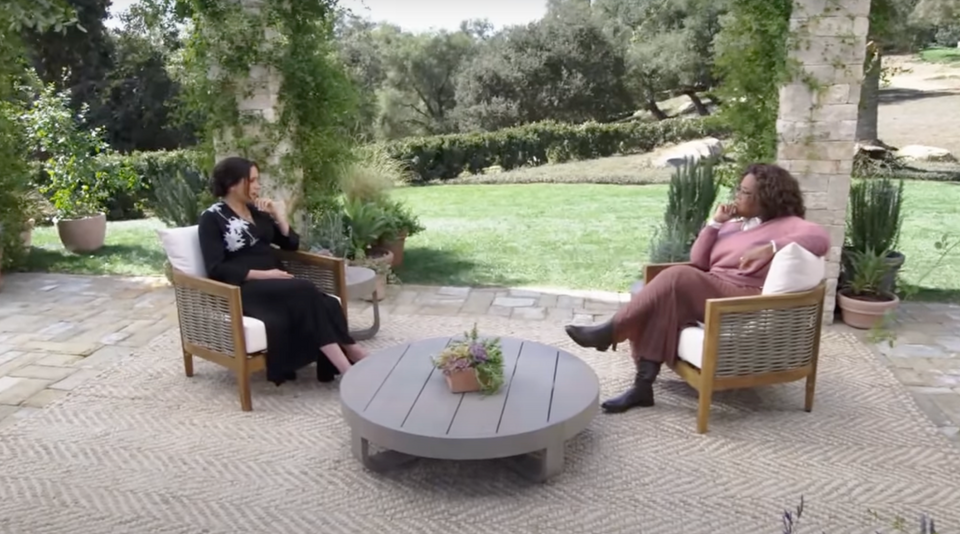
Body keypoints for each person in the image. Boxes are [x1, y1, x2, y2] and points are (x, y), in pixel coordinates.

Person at [565, 163, 830, 414]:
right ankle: (642, 387)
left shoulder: (787, 224)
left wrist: (771, 247)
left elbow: (820, 238)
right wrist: (715, 224)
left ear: (767, 198)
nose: (737, 196)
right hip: (712, 288)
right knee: (665, 302)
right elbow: (699, 261)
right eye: (738, 189)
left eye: (745, 192)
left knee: (677, 275)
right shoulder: (734, 224)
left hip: (740, 296)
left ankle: (612, 331)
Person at [197, 156, 367, 385]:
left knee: (328, 303)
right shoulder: (212, 218)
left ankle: (348, 362)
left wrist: (279, 215)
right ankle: (351, 360)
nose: (258, 186)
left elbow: (291, 244)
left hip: (278, 282)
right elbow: (216, 268)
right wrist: (264, 275)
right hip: (245, 287)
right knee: (306, 290)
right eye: (252, 180)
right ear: (232, 184)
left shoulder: (256, 211)